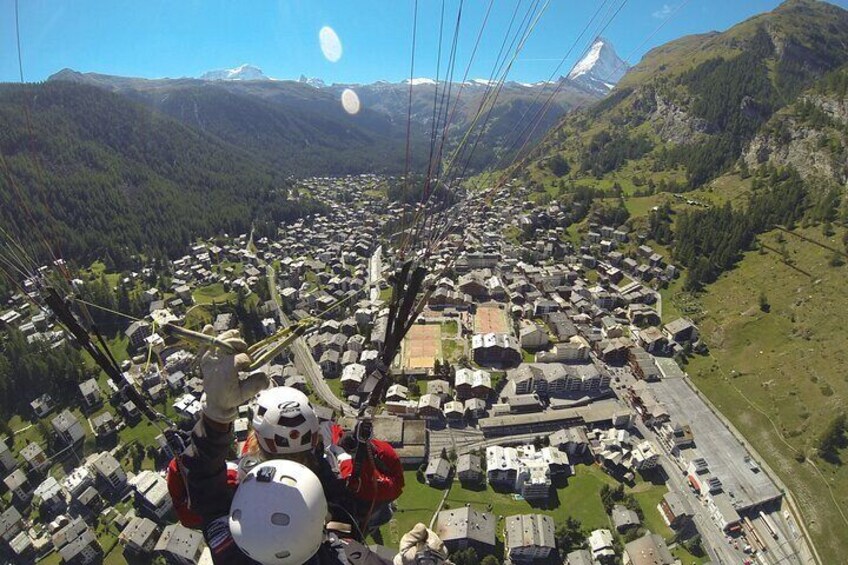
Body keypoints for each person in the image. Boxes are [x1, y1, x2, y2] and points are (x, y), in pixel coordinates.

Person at [170, 327, 404, 564]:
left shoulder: (229, 545)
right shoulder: (338, 475)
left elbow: (201, 490)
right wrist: (354, 446)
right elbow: (383, 484)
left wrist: (215, 419)